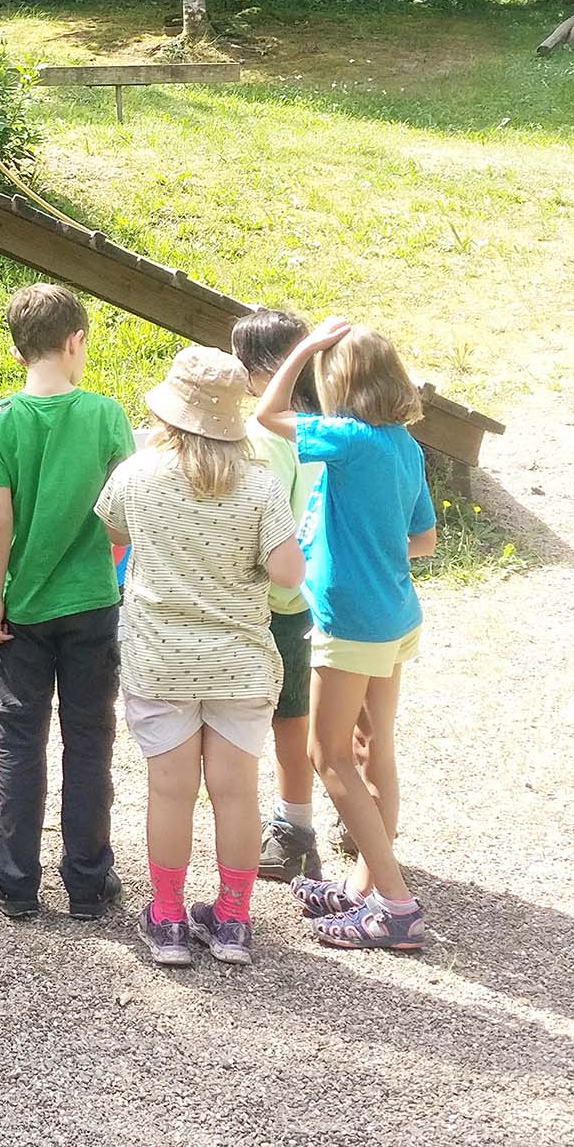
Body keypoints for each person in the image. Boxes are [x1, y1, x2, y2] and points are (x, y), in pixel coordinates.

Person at [97, 348, 304, 968]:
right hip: (240, 662)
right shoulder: (259, 483)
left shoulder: (137, 474)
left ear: (168, 412)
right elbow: (288, 573)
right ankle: (234, 920)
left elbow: (113, 535)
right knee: (236, 791)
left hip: (160, 657)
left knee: (170, 789)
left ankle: (166, 920)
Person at [254, 319, 437, 951]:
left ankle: (395, 905)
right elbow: (424, 540)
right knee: (372, 748)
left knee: (326, 754)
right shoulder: (404, 445)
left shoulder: (348, 438)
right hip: (395, 614)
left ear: (341, 381)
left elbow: (268, 411)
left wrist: (302, 349)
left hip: (349, 618)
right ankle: (364, 889)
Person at [0, 283, 135, 922]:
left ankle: (13, 879)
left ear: (19, 351)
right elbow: (124, 520)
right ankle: (89, 882)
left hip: (24, 611)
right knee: (90, 738)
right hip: (94, 601)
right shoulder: (106, 416)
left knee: (19, 739)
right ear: (75, 342)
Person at [230, 311, 326, 884]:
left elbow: (266, 528)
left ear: (264, 370)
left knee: (279, 720)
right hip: (326, 594)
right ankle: (344, 818)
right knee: (317, 717)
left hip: (274, 604)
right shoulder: (334, 425)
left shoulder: (266, 436)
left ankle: (292, 831)